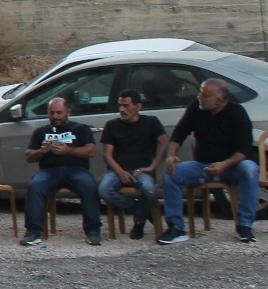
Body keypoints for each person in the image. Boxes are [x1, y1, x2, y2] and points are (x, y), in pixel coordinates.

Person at [158, 78, 259, 245]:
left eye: (205, 95)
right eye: (200, 93)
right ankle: (176, 227)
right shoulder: (196, 108)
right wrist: (171, 155)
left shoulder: (237, 113)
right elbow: (179, 133)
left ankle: (244, 225)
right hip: (203, 165)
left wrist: (224, 164)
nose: (199, 97)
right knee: (171, 173)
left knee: (250, 168)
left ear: (219, 100)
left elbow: (245, 149)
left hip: (231, 166)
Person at [20, 98, 102, 247]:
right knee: (35, 186)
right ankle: (33, 232)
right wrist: (42, 151)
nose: (56, 116)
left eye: (59, 112)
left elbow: (91, 151)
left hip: (76, 170)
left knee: (89, 186)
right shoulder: (41, 132)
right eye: (52, 113)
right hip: (49, 172)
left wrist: (68, 151)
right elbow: (28, 157)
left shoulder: (80, 129)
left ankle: (93, 231)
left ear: (68, 112)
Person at [98, 91, 167, 241]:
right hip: (118, 170)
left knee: (149, 190)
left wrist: (153, 166)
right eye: (120, 105)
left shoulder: (151, 122)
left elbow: (166, 142)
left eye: (126, 106)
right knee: (104, 190)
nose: (122, 109)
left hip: (142, 170)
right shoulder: (112, 125)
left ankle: (139, 222)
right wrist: (120, 171)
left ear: (138, 107)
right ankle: (143, 212)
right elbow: (107, 155)